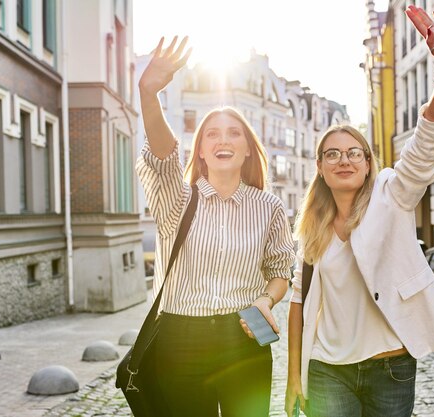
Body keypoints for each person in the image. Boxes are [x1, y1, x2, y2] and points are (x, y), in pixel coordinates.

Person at [285, 5, 434, 417]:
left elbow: (424, 147)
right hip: (328, 368)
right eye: (332, 154)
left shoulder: (391, 195)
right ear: (321, 168)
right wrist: (294, 376)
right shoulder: (311, 227)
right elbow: (298, 302)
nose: (343, 160)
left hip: (391, 364)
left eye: (353, 153)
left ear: (368, 163)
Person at [136, 35, 294, 417]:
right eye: (212, 133)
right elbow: (162, 154)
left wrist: (266, 299)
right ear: (201, 150)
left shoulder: (269, 207)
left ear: (246, 148)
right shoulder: (177, 199)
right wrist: (148, 93)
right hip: (180, 339)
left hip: (245, 334)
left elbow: (280, 272)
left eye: (234, 133)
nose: (224, 139)